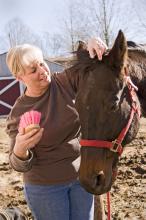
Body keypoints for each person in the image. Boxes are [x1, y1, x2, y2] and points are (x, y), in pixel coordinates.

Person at [6, 38, 107, 220]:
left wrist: (92, 48)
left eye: (42, 64)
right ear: (19, 77)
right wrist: (21, 149)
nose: (43, 72)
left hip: (82, 177)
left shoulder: (64, 82)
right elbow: (16, 164)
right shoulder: (19, 112)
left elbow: (91, 69)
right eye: (33, 70)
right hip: (45, 188)